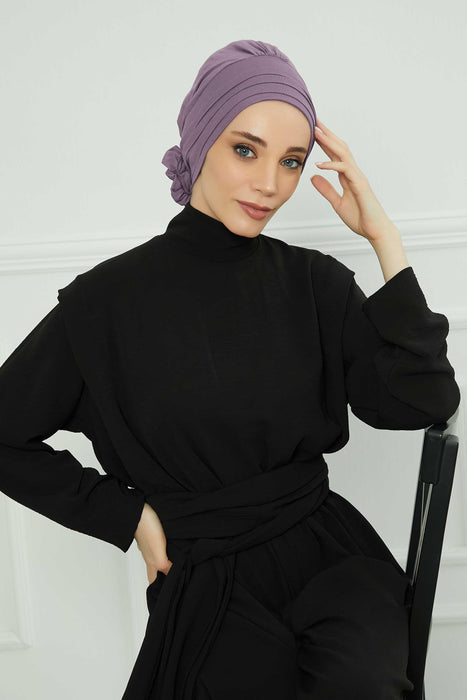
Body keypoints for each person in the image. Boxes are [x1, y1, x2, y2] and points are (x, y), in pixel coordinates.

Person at [0, 39, 461, 700]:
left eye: (291, 161)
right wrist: (128, 518)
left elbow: (423, 403)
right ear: (199, 143)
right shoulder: (103, 305)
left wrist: (383, 239)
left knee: (363, 684)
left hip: (329, 558)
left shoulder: (315, 284)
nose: (270, 183)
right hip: (205, 573)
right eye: (246, 149)